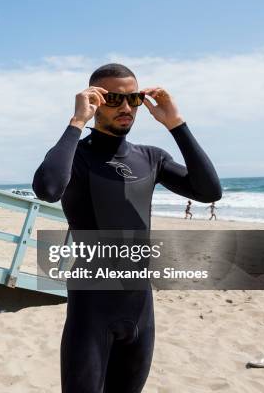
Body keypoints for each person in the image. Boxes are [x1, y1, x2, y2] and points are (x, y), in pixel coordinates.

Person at [32, 63, 221, 393]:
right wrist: (77, 121)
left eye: (132, 99)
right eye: (113, 99)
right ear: (94, 101)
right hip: (92, 307)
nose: (124, 107)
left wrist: (176, 124)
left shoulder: (150, 158)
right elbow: (47, 188)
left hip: (139, 306)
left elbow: (209, 191)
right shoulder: (76, 156)